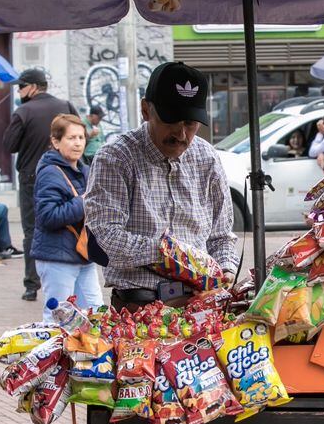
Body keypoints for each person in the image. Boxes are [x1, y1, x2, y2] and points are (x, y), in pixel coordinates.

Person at [84, 61, 238, 308]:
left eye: (190, 124)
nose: (181, 134)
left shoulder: (207, 157)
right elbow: (106, 237)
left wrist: (227, 270)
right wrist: (170, 254)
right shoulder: (115, 158)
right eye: (171, 120)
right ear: (146, 111)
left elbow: (221, 235)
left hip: (200, 304)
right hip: (138, 307)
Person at [4, 67, 74, 302]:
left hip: (31, 179)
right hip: (65, 177)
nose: (19, 91)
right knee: (67, 226)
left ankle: (32, 285)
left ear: (32, 87)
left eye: (21, 86)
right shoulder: (65, 106)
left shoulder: (23, 111)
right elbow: (79, 135)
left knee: (32, 231)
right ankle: (67, 279)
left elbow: (9, 145)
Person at [32, 114, 105, 313]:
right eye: (71, 138)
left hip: (83, 254)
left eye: (81, 138)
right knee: (58, 319)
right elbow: (48, 216)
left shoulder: (85, 170)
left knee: (95, 313)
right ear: (56, 142)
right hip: (57, 257)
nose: (78, 143)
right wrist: (84, 201)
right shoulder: (50, 173)